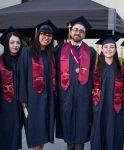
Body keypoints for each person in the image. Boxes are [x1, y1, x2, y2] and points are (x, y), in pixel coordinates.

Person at [55, 16, 96, 150]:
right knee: (67, 122)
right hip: (65, 94)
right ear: (71, 31)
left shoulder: (90, 51)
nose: (77, 32)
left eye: (81, 31)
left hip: (83, 95)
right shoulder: (59, 50)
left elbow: (94, 73)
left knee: (82, 124)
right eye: (75, 29)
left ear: (85, 34)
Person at [17, 20, 57, 150]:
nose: (46, 37)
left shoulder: (50, 54)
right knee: (36, 131)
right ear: (38, 34)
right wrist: (23, 98)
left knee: (43, 129)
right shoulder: (26, 52)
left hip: (48, 98)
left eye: (49, 35)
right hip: (33, 99)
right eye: (43, 34)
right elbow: (21, 75)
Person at [91, 35, 124, 150]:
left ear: (115, 50)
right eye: (105, 47)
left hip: (116, 109)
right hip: (100, 108)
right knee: (99, 131)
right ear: (102, 49)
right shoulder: (96, 68)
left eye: (111, 47)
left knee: (114, 133)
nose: (108, 49)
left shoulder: (121, 69)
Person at [0, 27, 23, 150]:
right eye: (12, 42)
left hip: (19, 103)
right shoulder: (1, 61)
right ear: (6, 43)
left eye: (18, 42)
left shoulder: (22, 60)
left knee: (15, 133)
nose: (15, 45)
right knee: (6, 133)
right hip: (5, 104)